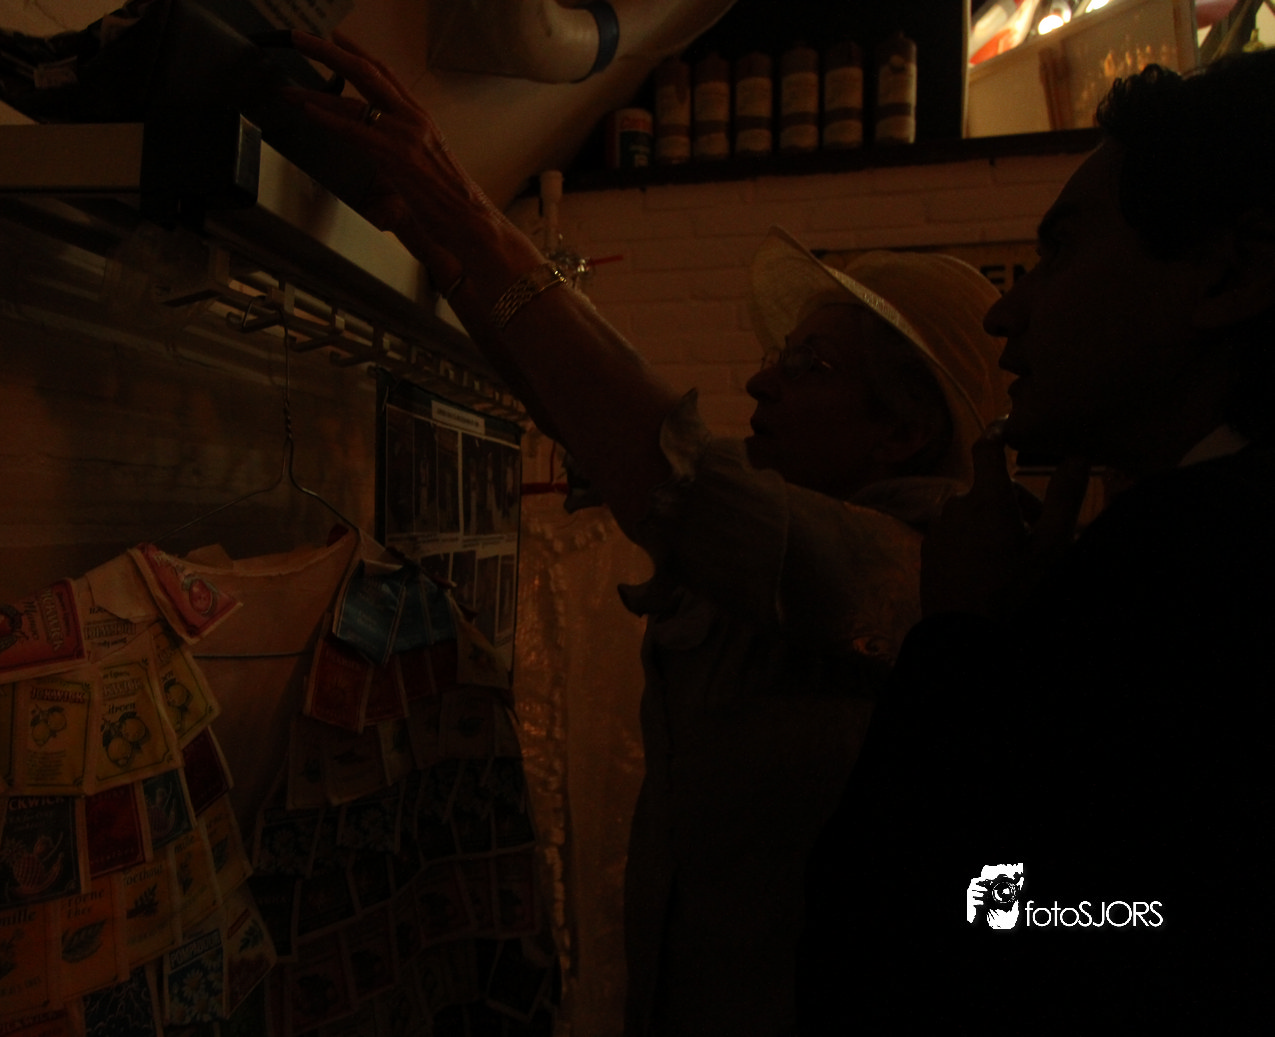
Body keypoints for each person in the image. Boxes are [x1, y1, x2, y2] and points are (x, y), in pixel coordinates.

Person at [284, 33, 1008, 1034]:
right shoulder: (809, 539)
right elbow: (598, 423)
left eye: (806, 366)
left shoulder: (902, 564)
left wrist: (460, 207)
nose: (759, 379)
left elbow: (670, 465)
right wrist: (428, 230)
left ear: (902, 428)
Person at [797, 51, 1275, 1033]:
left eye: (1059, 251)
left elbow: (945, 926)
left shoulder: (1175, 583)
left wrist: (960, 635)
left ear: (1229, 274)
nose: (1003, 308)